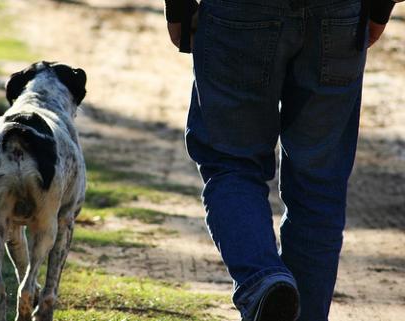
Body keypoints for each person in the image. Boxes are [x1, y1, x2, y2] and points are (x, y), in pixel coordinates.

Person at [163, 0, 401, 320]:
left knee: (231, 163)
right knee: (319, 183)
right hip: (338, 14)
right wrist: (381, 7)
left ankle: (262, 281)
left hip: (238, 15)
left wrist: (177, 6)